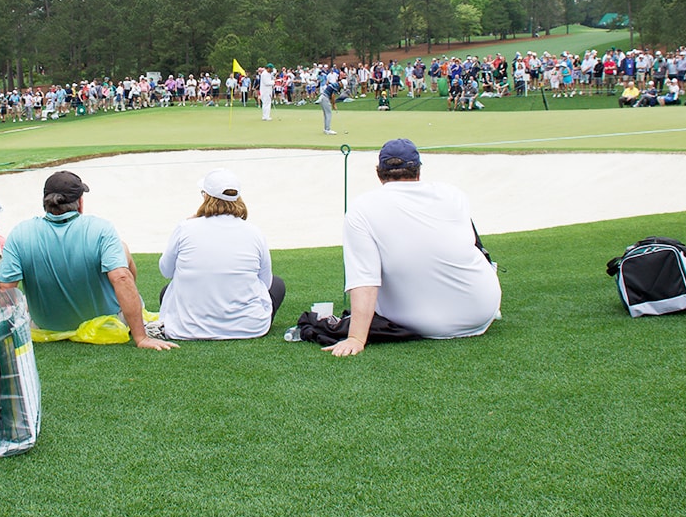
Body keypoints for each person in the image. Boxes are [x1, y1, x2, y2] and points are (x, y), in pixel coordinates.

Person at [325, 139, 501, 356]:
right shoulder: (453, 194)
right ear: (417, 171)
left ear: (379, 173)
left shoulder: (362, 208)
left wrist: (356, 338)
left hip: (420, 322)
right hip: (483, 310)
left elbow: (364, 279)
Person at [0, 171, 175, 351]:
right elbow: (121, 277)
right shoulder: (101, 229)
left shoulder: (20, 233)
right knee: (122, 248)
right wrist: (141, 338)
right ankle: (128, 308)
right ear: (80, 203)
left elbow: (5, 288)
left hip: (45, 325)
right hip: (107, 322)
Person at [155, 169, 285, 340]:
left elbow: (166, 271)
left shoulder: (185, 228)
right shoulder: (254, 232)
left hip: (187, 328)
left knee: (167, 291)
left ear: (206, 196)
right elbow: (266, 282)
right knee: (277, 284)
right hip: (250, 327)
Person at [317, 69, 338, 134]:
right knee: (328, 114)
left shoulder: (334, 84)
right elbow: (333, 96)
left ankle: (326, 129)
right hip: (325, 98)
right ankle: (327, 129)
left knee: (326, 114)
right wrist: (334, 105)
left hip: (323, 97)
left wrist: (333, 104)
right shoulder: (336, 86)